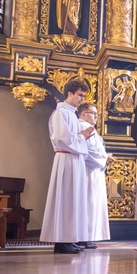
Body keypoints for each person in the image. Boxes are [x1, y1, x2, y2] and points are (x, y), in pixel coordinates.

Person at [40, 79, 96, 254]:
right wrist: (81, 138)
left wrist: (81, 137)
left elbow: (71, 137)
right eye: (79, 95)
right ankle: (62, 241)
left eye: (83, 96)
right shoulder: (61, 113)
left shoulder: (71, 113)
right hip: (66, 160)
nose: (81, 99)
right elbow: (61, 139)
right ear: (69, 93)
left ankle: (69, 238)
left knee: (73, 200)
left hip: (74, 159)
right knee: (66, 199)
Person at [78, 103, 114, 244]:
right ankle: (83, 237)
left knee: (93, 205)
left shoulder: (91, 129)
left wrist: (106, 156)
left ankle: (88, 237)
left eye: (96, 113)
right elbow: (87, 150)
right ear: (83, 114)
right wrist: (105, 158)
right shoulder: (82, 127)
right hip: (88, 171)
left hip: (95, 171)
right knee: (88, 204)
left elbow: (97, 149)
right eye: (93, 113)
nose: (96, 116)